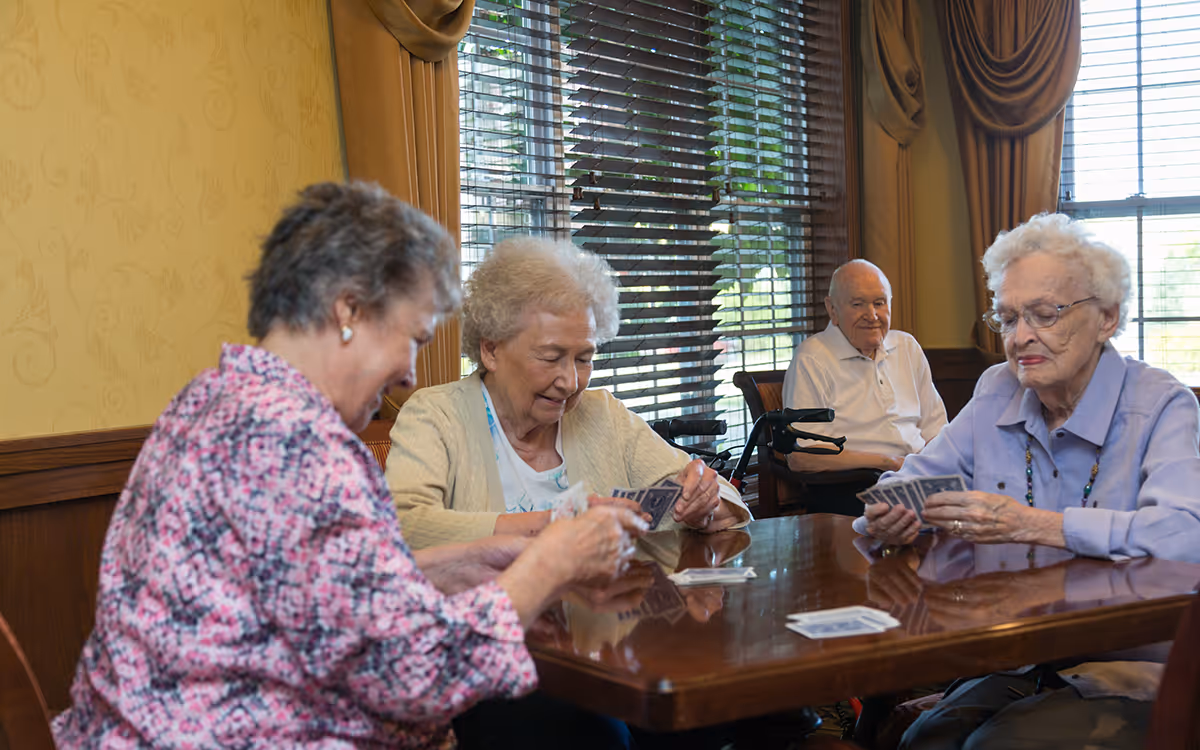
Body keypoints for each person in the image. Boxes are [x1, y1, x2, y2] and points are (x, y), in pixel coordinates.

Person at [52, 182, 647, 749]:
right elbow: (416, 676)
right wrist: (549, 564)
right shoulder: (294, 444)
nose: (412, 374)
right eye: (413, 338)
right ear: (348, 311)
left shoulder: (216, 401)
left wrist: (461, 562)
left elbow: (319, 595)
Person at [857, 213, 1200, 749]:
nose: (1021, 338)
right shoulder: (998, 389)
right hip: (1023, 656)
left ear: (1107, 317)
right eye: (1009, 317)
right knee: (925, 739)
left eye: (1045, 314)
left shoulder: (1160, 404)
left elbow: (1185, 536)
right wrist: (890, 516)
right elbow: (905, 485)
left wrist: (1038, 525)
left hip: (1135, 667)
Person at [385, 236, 752, 552]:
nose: (571, 381)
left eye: (584, 358)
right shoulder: (436, 415)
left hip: (597, 627)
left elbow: (726, 501)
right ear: (491, 350)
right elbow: (404, 526)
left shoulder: (602, 415)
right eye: (550, 357)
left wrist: (702, 503)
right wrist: (552, 525)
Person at [781, 259, 947, 512]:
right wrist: (888, 462)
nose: (872, 316)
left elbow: (936, 430)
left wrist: (933, 469)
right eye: (857, 304)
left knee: (984, 502)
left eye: (879, 303)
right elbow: (802, 456)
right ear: (832, 309)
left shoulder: (907, 348)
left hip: (916, 477)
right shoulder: (812, 358)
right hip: (852, 486)